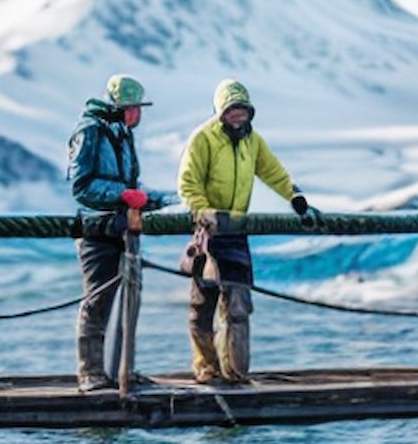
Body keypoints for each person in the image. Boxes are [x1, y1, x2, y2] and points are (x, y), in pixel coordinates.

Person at [177, 79, 317, 384]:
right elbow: (188, 183)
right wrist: (204, 212)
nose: (238, 118)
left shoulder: (254, 141)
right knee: (202, 306)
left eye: (243, 112)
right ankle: (207, 368)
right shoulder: (203, 139)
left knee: (238, 305)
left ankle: (236, 373)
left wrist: (294, 196)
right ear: (221, 113)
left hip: (237, 232)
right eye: (232, 112)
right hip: (207, 233)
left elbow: (272, 171)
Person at [67, 73, 172, 392]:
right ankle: (91, 373)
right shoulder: (88, 131)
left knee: (128, 300)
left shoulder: (122, 133)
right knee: (97, 299)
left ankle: (121, 369)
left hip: (124, 229)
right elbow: (81, 186)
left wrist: (157, 200)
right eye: (133, 107)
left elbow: (129, 185)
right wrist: (122, 196)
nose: (138, 114)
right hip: (97, 230)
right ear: (118, 107)